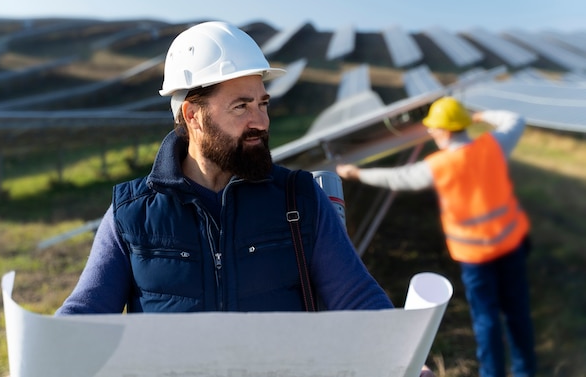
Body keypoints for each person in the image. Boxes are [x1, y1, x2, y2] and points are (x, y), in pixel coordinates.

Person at [56, 21, 434, 376]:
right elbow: (85, 312)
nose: (261, 121)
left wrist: (403, 359)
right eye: (241, 106)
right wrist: (44, 353)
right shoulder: (131, 213)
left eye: (263, 103)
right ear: (193, 115)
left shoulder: (298, 200)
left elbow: (356, 298)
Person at [337, 96, 537, 377]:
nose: (431, 132)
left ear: (444, 130)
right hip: (509, 245)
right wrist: (480, 116)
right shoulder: (493, 146)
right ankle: (525, 372)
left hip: (475, 258)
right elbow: (515, 120)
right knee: (517, 314)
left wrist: (356, 173)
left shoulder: (439, 166)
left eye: (434, 128)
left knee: (486, 320)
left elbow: (398, 178)